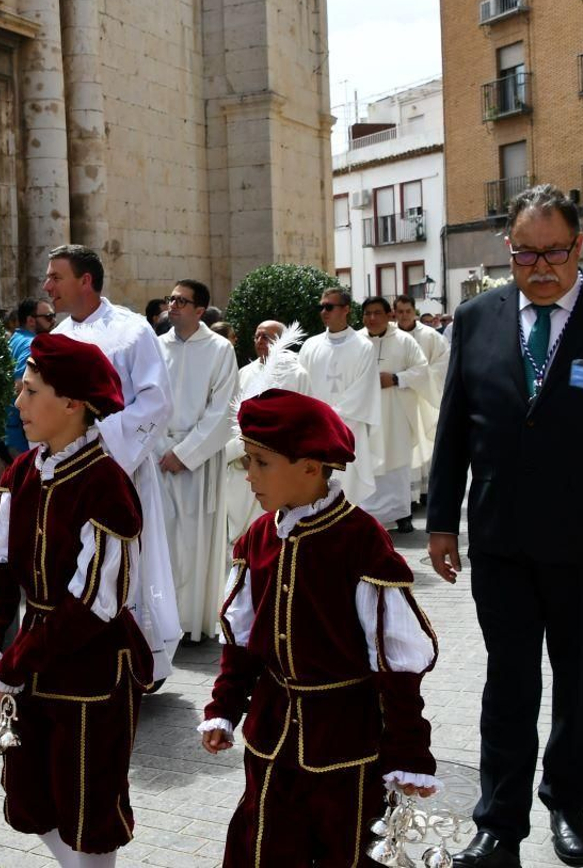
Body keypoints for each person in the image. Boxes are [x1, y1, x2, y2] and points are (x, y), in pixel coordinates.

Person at [426, 184, 583, 868]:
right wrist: (441, 521)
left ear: (578, 246)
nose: (540, 265)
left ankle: (568, 801)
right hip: (501, 542)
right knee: (507, 683)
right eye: (525, 252)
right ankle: (499, 823)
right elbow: (453, 430)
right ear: (509, 250)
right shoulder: (475, 319)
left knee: (576, 682)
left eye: (553, 251)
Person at [200, 388, 438, 868]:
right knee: (264, 846)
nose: (249, 477)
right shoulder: (258, 538)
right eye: (246, 461)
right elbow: (242, 642)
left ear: (310, 466)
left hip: (345, 744)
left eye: (261, 463)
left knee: (345, 851)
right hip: (271, 738)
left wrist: (407, 750)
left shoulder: (360, 541)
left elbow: (396, 662)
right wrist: (225, 706)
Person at [0, 333, 155, 867]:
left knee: (88, 805)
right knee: (30, 795)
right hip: (35, 657)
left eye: (30, 392)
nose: (18, 404)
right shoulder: (22, 473)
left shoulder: (105, 485)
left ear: (73, 403)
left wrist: (17, 663)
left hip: (94, 667)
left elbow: (95, 605)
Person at [46, 244, 181, 679]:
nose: (47, 286)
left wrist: (104, 444)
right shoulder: (59, 335)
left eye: (56, 277)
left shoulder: (132, 330)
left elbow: (156, 400)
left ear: (85, 281)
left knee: (123, 558)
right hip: (67, 469)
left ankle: (132, 655)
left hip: (118, 464)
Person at [157, 279, 239, 640]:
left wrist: (185, 453)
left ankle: (191, 622)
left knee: (193, 542)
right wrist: (160, 447)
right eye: (170, 299)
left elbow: (222, 411)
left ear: (199, 310)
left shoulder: (220, 349)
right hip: (157, 457)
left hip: (198, 461)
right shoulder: (156, 347)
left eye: (181, 301)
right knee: (161, 541)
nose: (172, 305)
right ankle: (161, 620)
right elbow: (146, 399)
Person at [218, 321, 308, 580]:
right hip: (239, 463)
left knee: (270, 528)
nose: (259, 341)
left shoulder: (297, 374)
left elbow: (296, 422)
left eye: (266, 337)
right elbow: (232, 419)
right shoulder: (244, 372)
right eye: (256, 335)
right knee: (237, 534)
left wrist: (262, 456)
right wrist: (243, 453)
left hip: (275, 465)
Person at [298, 286, 379, 506]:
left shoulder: (364, 346)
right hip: (314, 431)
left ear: (345, 310)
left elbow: (364, 391)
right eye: (321, 307)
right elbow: (300, 387)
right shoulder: (310, 346)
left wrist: (330, 418)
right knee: (314, 494)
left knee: (347, 495)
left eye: (329, 307)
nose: (324, 311)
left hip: (348, 431)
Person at [361, 296, 430, 533]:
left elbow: (422, 371)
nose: (372, 318)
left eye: (377, 313)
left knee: (397, 463)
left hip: (396, 411)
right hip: (365, 415)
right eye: (367, 313)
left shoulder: (404, 341)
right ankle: (367, 515)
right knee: (367, 461)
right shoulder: (355, 342)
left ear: (389, 315)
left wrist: (396, 378)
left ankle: (402, 513)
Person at [395, 295, 448, 504]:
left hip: (423, 399)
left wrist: (417, 378)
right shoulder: (388, 336)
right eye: (400, 312)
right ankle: (404, 495)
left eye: (408, 311)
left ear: (414, 311)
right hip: (397, 400)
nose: (404, 315)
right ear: (394, 313)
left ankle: (425, 492)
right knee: (402, 447)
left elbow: (443, 363)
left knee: (424, 444)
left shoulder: (430, 336)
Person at [4, 297, 56, 459]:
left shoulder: (14, 339)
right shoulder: (31, 344)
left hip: (8, 430)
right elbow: (21, 386)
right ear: (31, 320)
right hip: (21, 434)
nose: (54, 321)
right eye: (48, 317)